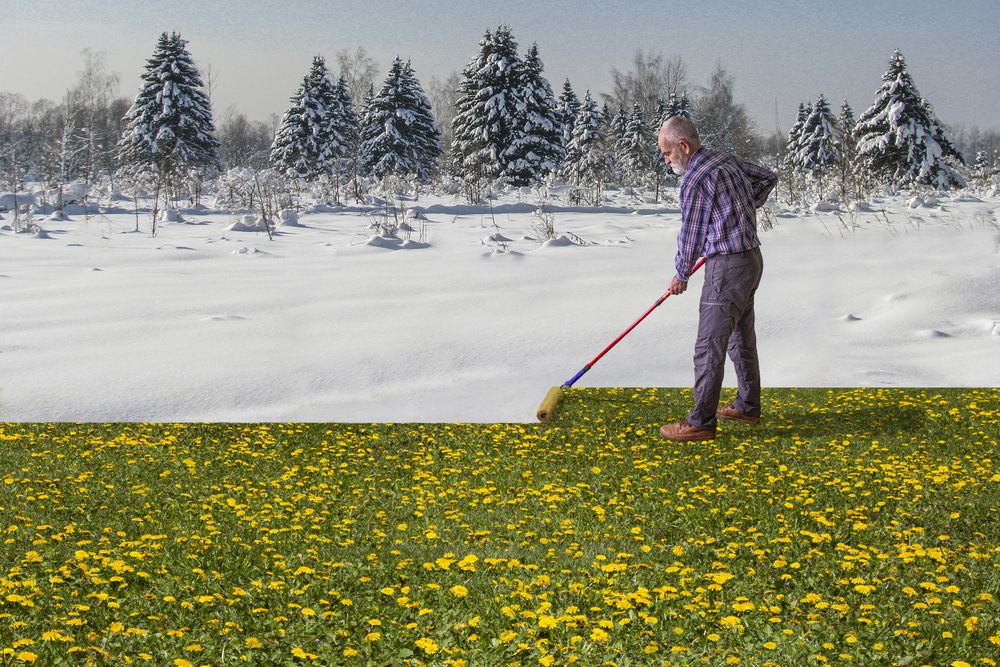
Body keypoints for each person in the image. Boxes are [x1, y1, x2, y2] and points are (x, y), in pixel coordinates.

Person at [657, 116, 777, 442]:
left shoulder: (696, 179)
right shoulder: (725, 160)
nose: (666, 161)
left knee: (709, 345)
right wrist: (735, 210)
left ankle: (700, 422)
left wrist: (681, 275)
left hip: (726, 268)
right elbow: (767, 177)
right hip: (751, 260)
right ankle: (748, 406)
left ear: (683, 146)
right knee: (740, 339)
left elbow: (691, 236)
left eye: (667, 153)